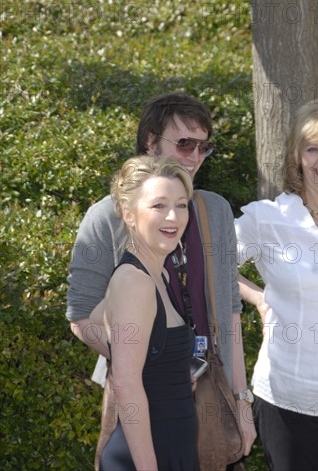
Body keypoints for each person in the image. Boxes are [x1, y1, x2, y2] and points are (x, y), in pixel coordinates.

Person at [66, 93, 257, 459]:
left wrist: (242, 400)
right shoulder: (107, 217)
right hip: (142, 391)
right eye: (184, 144)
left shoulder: (213, 210)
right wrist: (152, 363)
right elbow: (80, 317)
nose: (195, 157)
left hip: (211, 387)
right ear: (151, 142)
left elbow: (230, 312)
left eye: (203, 147)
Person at [235, 99, 318, 471]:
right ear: (296, 156)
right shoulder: (267, 219)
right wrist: (256, 297)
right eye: (312, 149)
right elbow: (209, 263)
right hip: (287, 396)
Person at [89, 155, 198, 470]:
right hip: (147, 458)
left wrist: (166, 368)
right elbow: (124, 384)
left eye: (181, 205)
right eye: (158, 206)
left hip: (171, 447)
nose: (173, 216)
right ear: (129, 214)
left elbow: (96, 320)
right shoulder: (135, 282)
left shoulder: (159, 274)